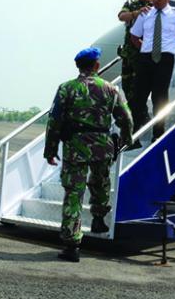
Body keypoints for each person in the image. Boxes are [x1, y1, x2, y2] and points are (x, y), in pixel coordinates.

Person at [44, 47, 134, 263]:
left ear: (78, 66)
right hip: (102, 146)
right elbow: (126, 118)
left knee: (74, 193)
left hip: (75, 147)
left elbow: (54, 121)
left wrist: (50, 149)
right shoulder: (111, 89)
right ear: (96, 65)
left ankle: (72, 244)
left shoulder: (66, 88)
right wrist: (127, 138)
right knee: (100, 182)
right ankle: (99, 218)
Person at [128, 0, 175, 142]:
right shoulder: (146, 14)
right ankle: (135, 131)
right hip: (146, 57)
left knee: (160, 96)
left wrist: (174, 49)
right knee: (139, 95)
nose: (156, 0)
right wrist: (143, 47)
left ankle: (158, 132)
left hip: (165, 58)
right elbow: (134, 35)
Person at [116, 0, 153, 100]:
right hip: (129, 54)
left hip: (144, 53)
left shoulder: (155, 5)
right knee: (127, 86)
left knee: (141, 88)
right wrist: (136, 13)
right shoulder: (131, 4)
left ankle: (141, 115)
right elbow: (121, 16)